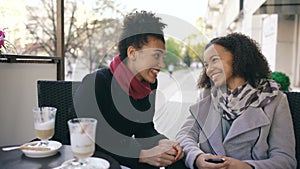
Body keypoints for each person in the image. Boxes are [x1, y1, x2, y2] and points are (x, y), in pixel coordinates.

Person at [74, 11, 187, 169]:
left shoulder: (149, 84)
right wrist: (142, 155)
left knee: (176, 159)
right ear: (132, 53)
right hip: (91, 156)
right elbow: (89, 140)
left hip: (125, 153)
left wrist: (163, 142)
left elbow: (144, 128)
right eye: (156, 56)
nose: (162, 64)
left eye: (163, 57)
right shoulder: (95, 83)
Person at [176, 33, 296, 169]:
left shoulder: (274, 99)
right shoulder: (207, 96)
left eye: (214, 60)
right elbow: (184, 135)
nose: (209, 70)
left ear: (239, 57)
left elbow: (285, 159)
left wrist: (246, 166)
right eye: (206, 65)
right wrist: (198, 157)